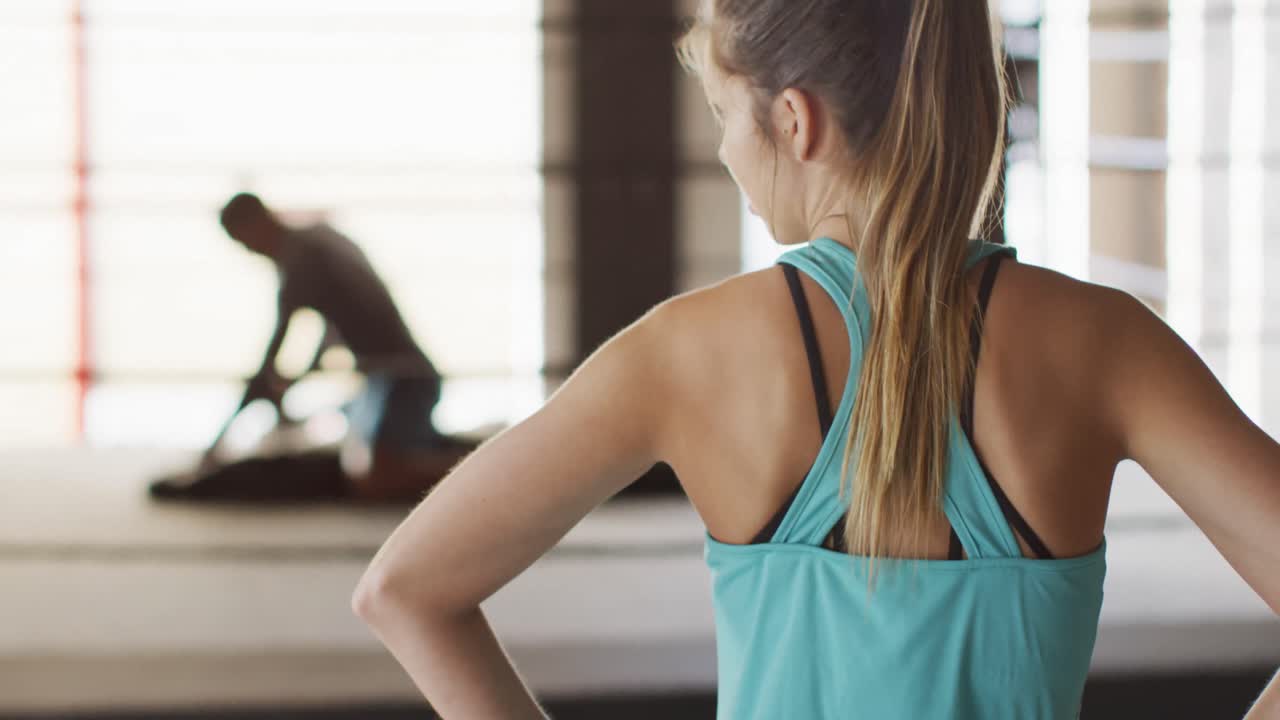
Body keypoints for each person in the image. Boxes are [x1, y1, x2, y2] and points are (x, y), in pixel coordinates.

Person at [351, 1, 1280, 717]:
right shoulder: (1105, 344)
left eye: (724, 112)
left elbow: (403, 591)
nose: (725, 149)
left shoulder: (685, 353)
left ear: (794, 121)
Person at [151, 193, 470, 503]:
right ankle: (456, 456)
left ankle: (478, 471)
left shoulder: (302, 262)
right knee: (347, 439)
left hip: (403, 378)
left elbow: (273, 355)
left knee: (373, 478)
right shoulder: (318, 239)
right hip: (381, 379)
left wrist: (214, 451)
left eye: (245, 243)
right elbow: (337, 323)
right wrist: (289, 380)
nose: (251, 252)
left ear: (258, 223)